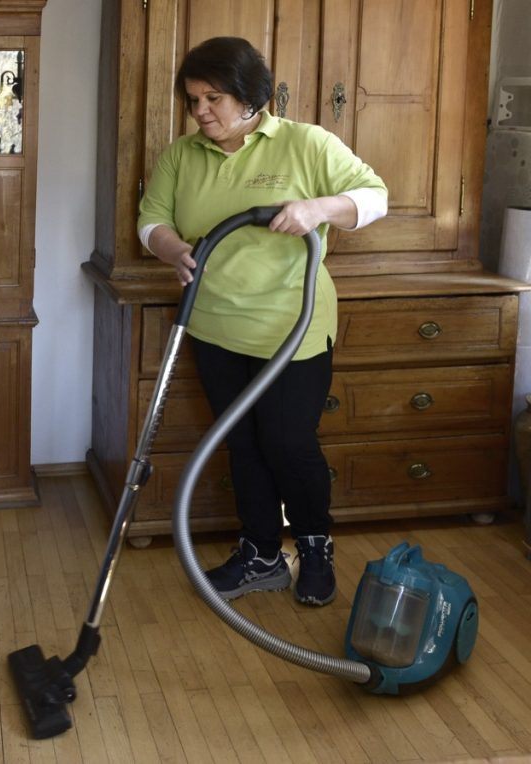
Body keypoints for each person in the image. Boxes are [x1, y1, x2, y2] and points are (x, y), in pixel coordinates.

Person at [137, 37, 388, 606]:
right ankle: (260, 554)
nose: (200, 112)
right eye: (193, 99)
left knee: (289, 442)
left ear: (251, 98)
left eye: (214, 99)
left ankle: (315, 546)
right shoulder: (181, 156)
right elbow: (150, 220)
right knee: (242, 443)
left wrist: (318, 209)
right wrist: (173, 249)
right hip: (215, 327)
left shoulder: (306, 144)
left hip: (290, 330)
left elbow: (374, 197)